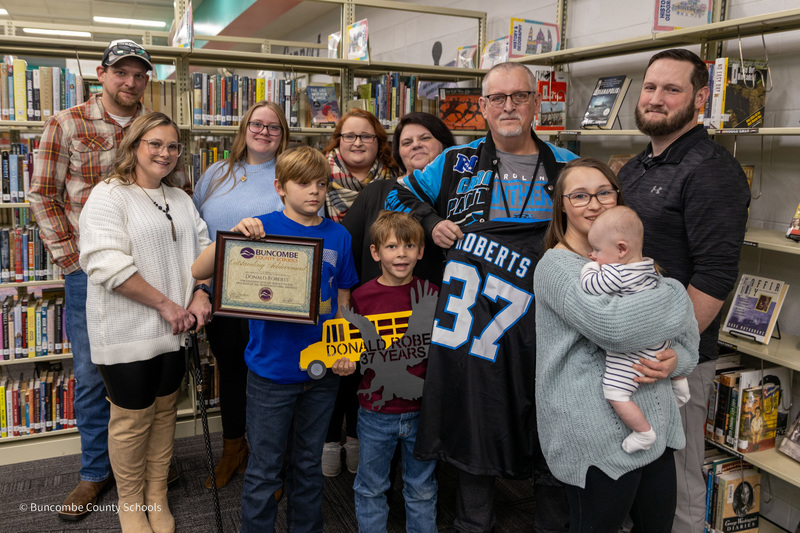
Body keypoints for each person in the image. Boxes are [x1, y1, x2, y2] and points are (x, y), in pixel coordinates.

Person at [386, 61, 579, 532]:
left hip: (547, 326)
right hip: (476, 329)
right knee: (476, 427)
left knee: (549, 426)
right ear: (482, 107)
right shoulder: (456, 163)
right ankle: (473, 525)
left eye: (519, 96)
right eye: (498, 98)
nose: (508, 106)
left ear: (536, 102)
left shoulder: (568, 165)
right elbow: (396, 197)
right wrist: (431, 224)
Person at [28, 39, 185, 521]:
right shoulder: (68, 122)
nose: (130, 82)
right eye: (121, 73)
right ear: (102, 73)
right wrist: (76, 261)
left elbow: (172, 192)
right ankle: (96, 473)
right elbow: (42, 194)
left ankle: (144, 473)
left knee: (155, 371)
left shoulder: (154, 127)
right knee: (96, 375)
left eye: (139, 74)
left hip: (156, 272)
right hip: (92, 271)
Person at [617, 48, 750, 533]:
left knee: (676, 478)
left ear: (699, 98)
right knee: (637, 479)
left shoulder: (711, 169)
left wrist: (673, 349)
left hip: (673, 360)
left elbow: (715, 274)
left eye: (671, 90)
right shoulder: (636, 168)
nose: (656, 98)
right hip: (629, 349)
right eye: (650, 87)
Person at [192, 146, 359, 532]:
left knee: (307, 464)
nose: (314, 192)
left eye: (321, 183)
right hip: (270, 371)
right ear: (280, 187)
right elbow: (199, 268)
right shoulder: (260, 227)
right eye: (303, 183)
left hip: (321, 374)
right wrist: (233, 234)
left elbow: (344, 302)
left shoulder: (339, 236)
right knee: (266, 469)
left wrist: (345, 350)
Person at [534, 157, 699, 532]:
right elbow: (615, 328)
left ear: (618, 197)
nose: (594, 204)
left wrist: (677, 362)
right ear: (562, 205)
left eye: (604, 192)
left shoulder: (630, 259)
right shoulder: (558, 268)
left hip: (655, 428)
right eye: (579, 196)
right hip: (595, 433)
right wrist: (673, 292)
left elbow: (687, 335)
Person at [78, 112, 211, 532]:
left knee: (165, 412)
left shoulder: (182, 199)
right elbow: (104, 262)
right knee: (132, 421)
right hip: (127, 333)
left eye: (172, 146)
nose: (165, 153)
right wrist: (168, 306)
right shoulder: (109, 195)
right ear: (134, 145)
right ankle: (130, 503)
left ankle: (156, 493)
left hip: (174, 334)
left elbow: (205, 250)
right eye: (155, 143)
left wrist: (202, 293)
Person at [192, 101, 289, 490]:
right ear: (244, 128)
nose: (264, 132)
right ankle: (234, 450)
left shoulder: (290, 170)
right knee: (231, 374)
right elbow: (197, 230)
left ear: (284, 134)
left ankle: (270, 463)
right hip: (224, 297)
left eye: (274, 127)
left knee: (271, 381)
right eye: (257, 124)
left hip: (274, 297)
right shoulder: (216, 173)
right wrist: (200, 286)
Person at [346, 211, 439, 533]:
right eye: (391, 247)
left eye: (409, 246)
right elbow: (350, 349)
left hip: (423, 412)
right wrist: (345, 362)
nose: (401, 254)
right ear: (375, 252)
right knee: (370, 486)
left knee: (422, 487)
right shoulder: (361, 297)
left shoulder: (433, 294)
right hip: (375, 413)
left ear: (421, 251)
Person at [322, 108, 399, 477]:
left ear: (378, 142)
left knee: (365, 363)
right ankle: (327, 440)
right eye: (348, 136)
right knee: (332, 360)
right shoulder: (318, 175)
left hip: (376, 288)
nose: (356, 143)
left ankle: (355, 437)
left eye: (365, 136)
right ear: (338, 141)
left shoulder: (395, 180)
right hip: (328, 285)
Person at [579, 206, 691, 454]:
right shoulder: (649, 268)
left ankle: (643, 432)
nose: (593, 255)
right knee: (667, 348)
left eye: (597, 250)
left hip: (635, 354)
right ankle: (680, 383)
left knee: (615, 392)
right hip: (661, 343)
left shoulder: (616, 274)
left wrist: (590, 267)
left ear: (621, 249)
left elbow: (589, 285)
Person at [342, 112, 455, 287]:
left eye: (425, 138)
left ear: (445, 145)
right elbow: (345, 253)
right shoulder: (375, 192)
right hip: (375, 310)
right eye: (407, 142)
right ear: (399, 153)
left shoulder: (461, 194)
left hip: (440, 308)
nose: (416, 145)